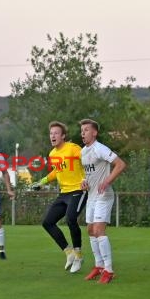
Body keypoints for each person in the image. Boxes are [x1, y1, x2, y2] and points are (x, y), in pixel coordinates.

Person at [34, 121, 87, 273]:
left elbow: (88, 160)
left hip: (79, 190)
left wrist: (87, 178)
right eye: (51, 133)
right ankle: (69, 252)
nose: (53, 136)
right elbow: (56, 172)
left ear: (63, 136)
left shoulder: (73, 148)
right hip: (64, 193)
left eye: (56, 133)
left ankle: (78, 255)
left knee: (71, 219)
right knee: (47, 222)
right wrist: (42, 182)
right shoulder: (52, 153)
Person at [79, 119, 127, 284]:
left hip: (104, 196)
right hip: (91, 196)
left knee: (99, 230)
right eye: (82, 130)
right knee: (91, 231)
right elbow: (89, 174)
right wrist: (84, 182)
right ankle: (99, 267)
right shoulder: (83, 152)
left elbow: (120, 164)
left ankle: (109, 270)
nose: (82, 133)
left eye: (86, 130)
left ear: (94, 132)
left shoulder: (100, 148)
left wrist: (107, 181)